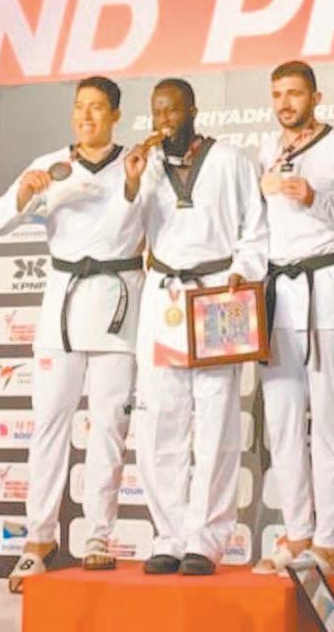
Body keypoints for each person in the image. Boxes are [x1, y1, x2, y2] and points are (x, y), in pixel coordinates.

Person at [0, 76, 147, 591]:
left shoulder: (137, 164)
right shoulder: (49, 165)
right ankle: (38, 539)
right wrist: (25, 195)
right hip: (62, 310)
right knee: (50, 424)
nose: (86, 116)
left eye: (97, 108)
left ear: (115, 115)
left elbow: (153, 227)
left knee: (108, 427)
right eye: (80, 107)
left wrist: (134, 187)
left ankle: (98, 536)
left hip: (119, 308)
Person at [125, 78, 268, 576]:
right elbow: (123, 233)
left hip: (218, 294)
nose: (164, 121)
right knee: (159, 420)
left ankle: (205, 540)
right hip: (164, 295)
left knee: (216, 420)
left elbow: (255, 228)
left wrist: (243, 272)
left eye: (172, 111)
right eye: (157, 112)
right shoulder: (145, 167)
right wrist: (129, 184)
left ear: (193, 111)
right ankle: (168, 535)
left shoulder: (230, 160)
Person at [252, 61, 334, 575]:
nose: (285, 103)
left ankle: (329, 540)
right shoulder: (266, 151)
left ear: (315, 97)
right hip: (277, 295)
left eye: (295, 93)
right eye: (277, 94)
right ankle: (297, 531)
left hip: (328, 289)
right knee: (282, 422)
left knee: (330, 419)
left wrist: (315, 198)